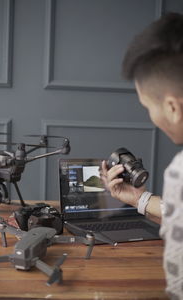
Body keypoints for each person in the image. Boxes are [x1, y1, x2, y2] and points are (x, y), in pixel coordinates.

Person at [101, 12, 183, 300]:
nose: (151, 117)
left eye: (147, 105)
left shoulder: (180, 172)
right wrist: (139, 199)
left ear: (173, 107)